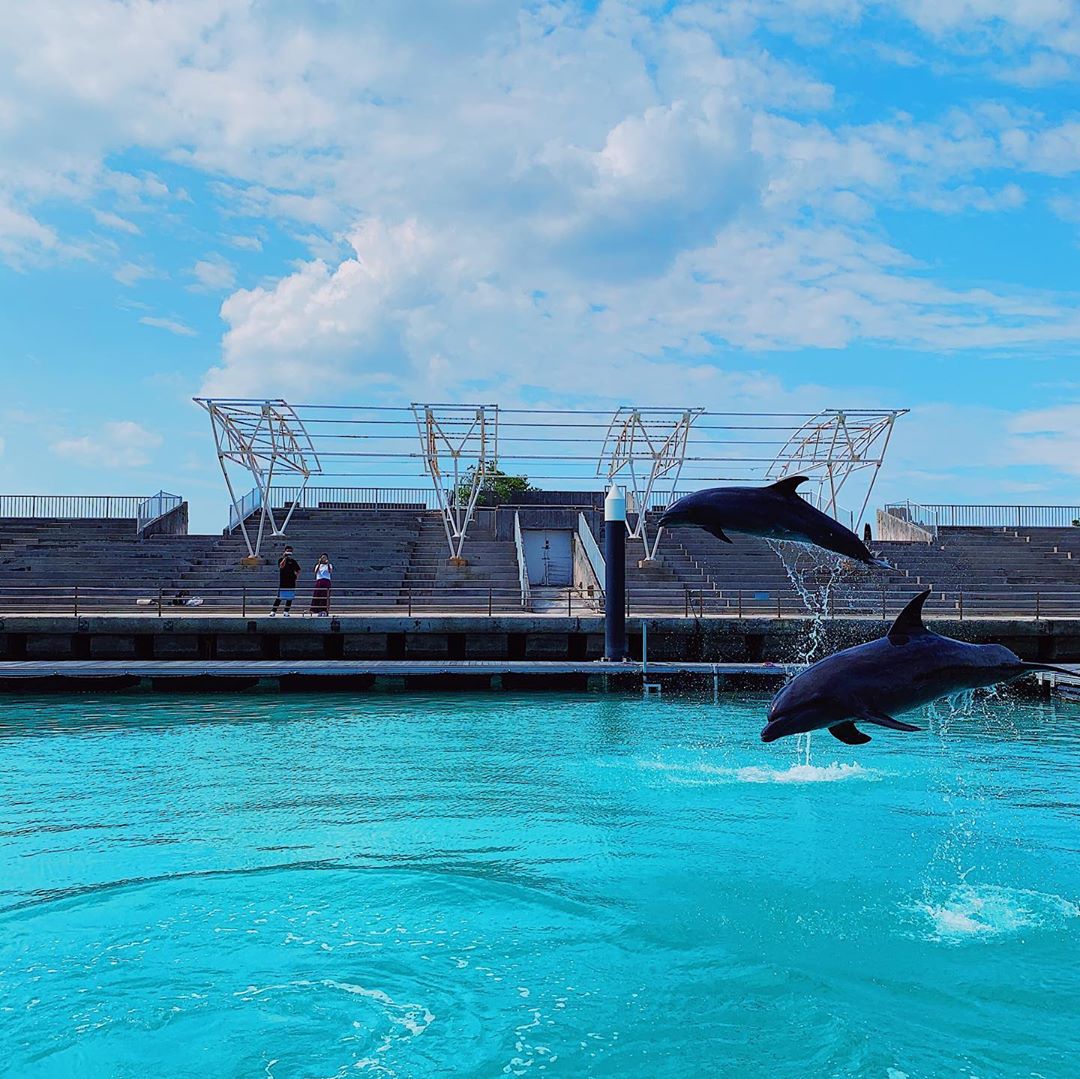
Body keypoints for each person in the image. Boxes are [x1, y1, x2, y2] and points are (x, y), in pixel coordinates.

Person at [271, 546, 301, 616]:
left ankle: (286, 611)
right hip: (283, 581)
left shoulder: (293, 561)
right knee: (279, 597)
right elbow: (281, 566)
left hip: (291, 581)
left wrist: (296, 576)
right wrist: (285, 558)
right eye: (288, 551)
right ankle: (273, 611)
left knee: (289, 597)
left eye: (290, 551)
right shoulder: (281, 559)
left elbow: (298, 570)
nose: (289, 552)